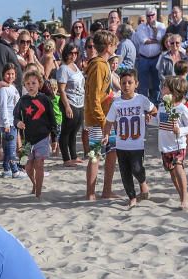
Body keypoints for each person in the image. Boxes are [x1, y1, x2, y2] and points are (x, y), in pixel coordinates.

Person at [103, 69, 157, 208]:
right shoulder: (116, 103)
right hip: (121, 145)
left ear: (136, 84)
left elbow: (154, 110)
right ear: (119, 85)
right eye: (123, 83)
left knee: (137, 169)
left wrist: (150, 114)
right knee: (125, 172)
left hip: (137, 144)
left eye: (130, 83)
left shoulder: (141, 99)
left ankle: (143, 183)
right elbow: (109, 121)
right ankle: (132, 197)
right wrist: (106, 135)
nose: (126, 85)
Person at [84, 29, 119, 201]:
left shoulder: (103, 64)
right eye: (114, 44)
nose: (116, 47)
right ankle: (90, 193)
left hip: (107, 118)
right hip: (99, 120)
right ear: (107, 46)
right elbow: (94, 97)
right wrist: (103, 121)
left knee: (112, 152)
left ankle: (106, 190)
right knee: (95, 155)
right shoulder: (98, 65)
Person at [15, 70, 59, 199]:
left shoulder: (44, 99)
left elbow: (52, 119)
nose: (30, 86)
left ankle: (38, 193)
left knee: (39, 164)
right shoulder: (22, 100)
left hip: (43, 137)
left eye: (33, 83)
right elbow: (15, 117)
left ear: (39, 84)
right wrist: (18, 123)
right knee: (28, 166)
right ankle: (34, 184)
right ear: (24, 85)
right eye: (27, 83)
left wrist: (54, 138)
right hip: (28, 140)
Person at [157, 76, 188, 210]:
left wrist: (180, 130)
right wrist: (147, 119)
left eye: (164, 87)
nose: (162, 90)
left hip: (178, 145)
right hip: (164, 146)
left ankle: (185, 198)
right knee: (172, 173)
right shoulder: (162, 107)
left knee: (178, 167)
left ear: (173, 91)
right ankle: (181, 196)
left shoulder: (182, 108)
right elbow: (159, 122)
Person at [56, 43, 85, 166]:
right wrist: (67, 106)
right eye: (71, 53)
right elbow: (61, 89)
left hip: (79, 102)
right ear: (66, 53)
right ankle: (66, 159)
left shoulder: (74, 66)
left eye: (76, 53)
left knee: (74, 131)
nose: (73, 55)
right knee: (66, 131)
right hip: (70, 101)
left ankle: (73, 156)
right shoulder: (63, 68)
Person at [134, 8, 167, 104]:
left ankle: (155, 104)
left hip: (156, 57)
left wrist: (155, 30)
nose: (150, 17)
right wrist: (156, 40)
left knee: (156, 82)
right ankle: (143, 103)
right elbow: (144, 41)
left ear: (156, 15)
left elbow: (162, 40)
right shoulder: (141, 26)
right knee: (143, 83)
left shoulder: (161, 26)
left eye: (152, 15)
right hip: (143, 58)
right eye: (148, 16)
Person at [0, 64, 22, 178]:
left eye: (12, 74)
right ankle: (15, 171)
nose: (10, 76)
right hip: (8, 123)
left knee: (7, 148)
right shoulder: (3, 89)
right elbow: (3, 107)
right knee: (11, 148)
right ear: (3, 74)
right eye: (8, 74)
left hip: (14, 121)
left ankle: (7, 169)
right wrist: (6, 123)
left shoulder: (13, 87)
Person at [0, 19, 25, 88]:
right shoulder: (0, 48)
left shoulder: (7, 47)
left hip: (15, 90)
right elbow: (1, 72)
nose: (18, 33)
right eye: (16, 30)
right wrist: (9, 90)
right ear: (7, 31)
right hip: (9, 92)